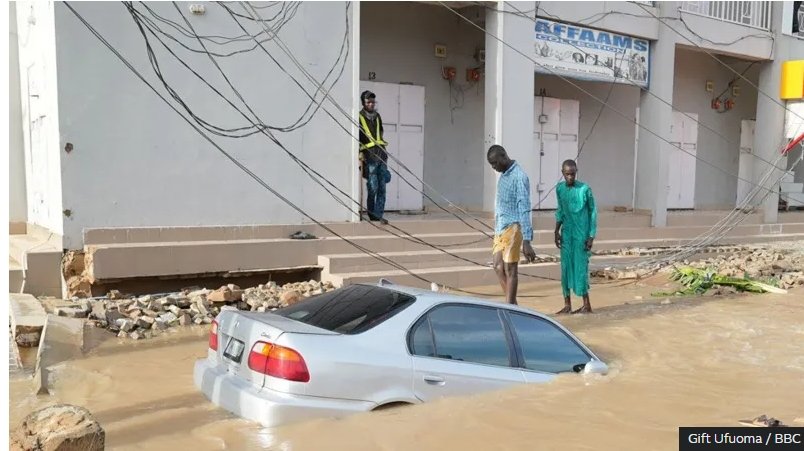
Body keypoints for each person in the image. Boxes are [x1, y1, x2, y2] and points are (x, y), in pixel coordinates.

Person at [487, 145, 537, 305]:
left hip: (514, 227)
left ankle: (510, 308)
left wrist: (527, 240)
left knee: (510, 269)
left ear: (503, 156)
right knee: (497, 266)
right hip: (501, 227)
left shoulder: (519, 176)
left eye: (495, 163)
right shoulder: (503, 176)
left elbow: (524, 207)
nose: (494, 167)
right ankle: (513, 305)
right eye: (491, 165)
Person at [554, 159, 597, 314]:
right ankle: (567, 304)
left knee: (580, 268)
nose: (570, 177)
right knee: (565, 268)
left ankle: (587, 304)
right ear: (563, 174)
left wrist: (591, 236)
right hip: (567, 234)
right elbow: (560, 210)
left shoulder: (585, 189)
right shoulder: (559, 189)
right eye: (567, 174)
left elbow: (593, 212)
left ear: (576, 172)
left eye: (573, 174)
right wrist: (556, 231)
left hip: (581, 236)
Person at [358, 90, 391, 225]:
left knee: (382, 188)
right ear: (364, 103)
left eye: (373, 102)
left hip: (381, 155)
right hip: (369, 156)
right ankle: (372, 215)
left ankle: (378, 216)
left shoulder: (377, 117)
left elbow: (380, 134)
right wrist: (360, 154)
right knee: (373, 187)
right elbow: (358, 137)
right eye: (369, 102)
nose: (371, 104)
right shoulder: (359, 117)